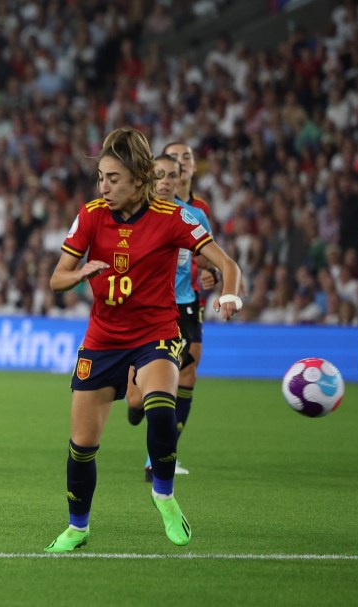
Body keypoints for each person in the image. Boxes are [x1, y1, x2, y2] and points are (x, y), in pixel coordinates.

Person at [44, 128, 242, 552]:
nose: (104, 186)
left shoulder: (172, 217)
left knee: (159, 406)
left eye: (113, 178)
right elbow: (57, 277)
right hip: (102, 339)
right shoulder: (92, 214)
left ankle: (164, 495)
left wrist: (229, 291)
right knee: (81, 447)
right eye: (100, 177)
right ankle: (78, 527)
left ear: (138, 177)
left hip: (155, 332)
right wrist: (79, 274)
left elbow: (225, 261)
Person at [125, 154, 218, 481]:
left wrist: (211, 274)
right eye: (160, 175)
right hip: (146, 307)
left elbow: (207, 258)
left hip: (184, 306)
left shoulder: (193, 216)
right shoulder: (134, 213)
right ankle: (135, 403)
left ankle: (159, 458)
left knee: (180, 379)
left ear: (181, 179)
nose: (166, 181)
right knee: (138, 397)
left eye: (172, 176)